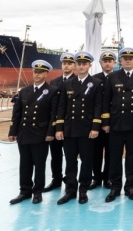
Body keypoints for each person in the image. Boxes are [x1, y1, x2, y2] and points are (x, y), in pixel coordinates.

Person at [54, 51, 103, 205]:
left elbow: (98, 106)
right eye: (79, 63)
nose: (81, 66)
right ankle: (70, 190)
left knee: (87, 161)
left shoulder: (95, 83)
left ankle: (83, 189)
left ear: (89, 65)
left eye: (84, 64)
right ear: (76, 65)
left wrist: (95, 127)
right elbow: (62, 106)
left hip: (86, 129)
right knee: (70, 161)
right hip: (69, 129)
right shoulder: (67, 84)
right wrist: (59, 128)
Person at [8, 60, 60, 205]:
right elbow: (17, 113)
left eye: (40, 72)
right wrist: (13, 131)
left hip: (41, 134)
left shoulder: (52, 91)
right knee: (24, 164)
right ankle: (24, 191)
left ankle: (37, 192)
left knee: (39, 165)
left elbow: (53, 115)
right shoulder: (24, 91)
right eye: (35, 72)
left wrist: (50, 132)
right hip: (24, 133)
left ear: (46, 74)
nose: (36, 75)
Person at [103, 47, 133, 203]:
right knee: (115, 157)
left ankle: (130, 187)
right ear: (121, 60)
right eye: (125, 58)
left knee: (131, 157)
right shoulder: (113, 77)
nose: (128, 60)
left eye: (130, 58)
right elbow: (106, 101)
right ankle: (115, 187)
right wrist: (106, 122)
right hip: (116, 123)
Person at [44, 52, 77, 193]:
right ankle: (56, 179)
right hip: (56, 123)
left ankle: (70, 181)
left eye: (69, 63)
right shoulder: (54, 82)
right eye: (64, 63)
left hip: (71, 125)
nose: (67, 65)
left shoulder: (79, 81)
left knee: (71, 156)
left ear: (74, 65)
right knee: (55, 155)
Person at [89, 50, 117, 190]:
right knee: (96, 152)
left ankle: (108, 178)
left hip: (113, 122)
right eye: (104, 61)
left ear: (114, 63)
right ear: (100, 63)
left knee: (110, 152)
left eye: (110, 61)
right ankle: (96, 178)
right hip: (96, 121)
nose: (107, 63)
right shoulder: (94, 79)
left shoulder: (118, 77)